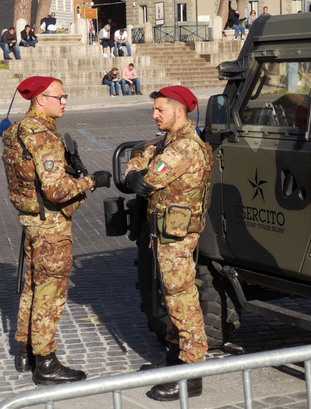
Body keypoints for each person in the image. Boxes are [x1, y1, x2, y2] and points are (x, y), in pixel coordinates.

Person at [3, 76, 111, 385]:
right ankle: (46, 363)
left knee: (32, 288)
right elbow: (56, 189)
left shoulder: (16, 131)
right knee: (49, 293)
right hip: (50, 225)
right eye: (59, 96)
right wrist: (92, 181)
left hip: (31, 220)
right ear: (39, 99)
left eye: (65, 96)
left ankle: (25, 352)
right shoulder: (44, 136)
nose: (64, 101)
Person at [124, 86, 213, 402]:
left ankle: (192, 372)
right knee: (172, 298)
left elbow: (143, 182)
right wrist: (139, 164)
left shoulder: (182, 150)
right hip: (166, 234)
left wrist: (137, 169)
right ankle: (177, 356)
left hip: (175, 237)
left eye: (160, 109)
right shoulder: (168, 144)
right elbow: (140, 160)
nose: (154, 115)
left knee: (181, 298)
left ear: (179, 111)